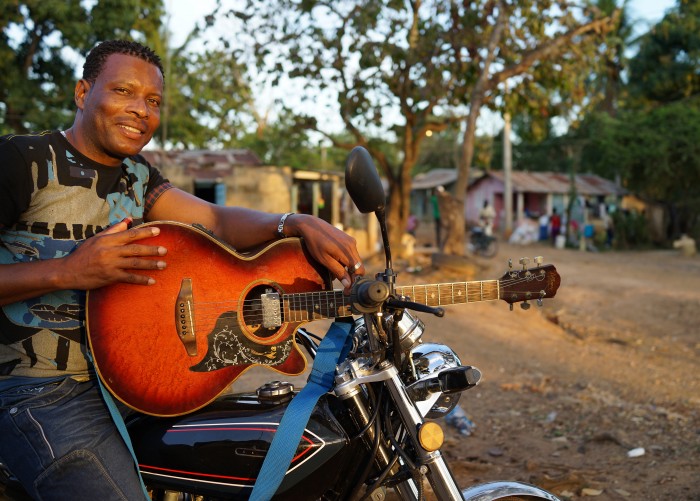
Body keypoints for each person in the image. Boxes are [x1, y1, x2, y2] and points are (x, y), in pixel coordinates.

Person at [0, 39, 364, 500]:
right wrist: (68, 271)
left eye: (152, 101)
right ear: (81, 92)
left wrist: (292, 222)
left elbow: (215, 220)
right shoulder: (23, 161)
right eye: (123, 92)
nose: (140, 110)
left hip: (136, 383)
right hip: (37, 391)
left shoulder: (137, 176)